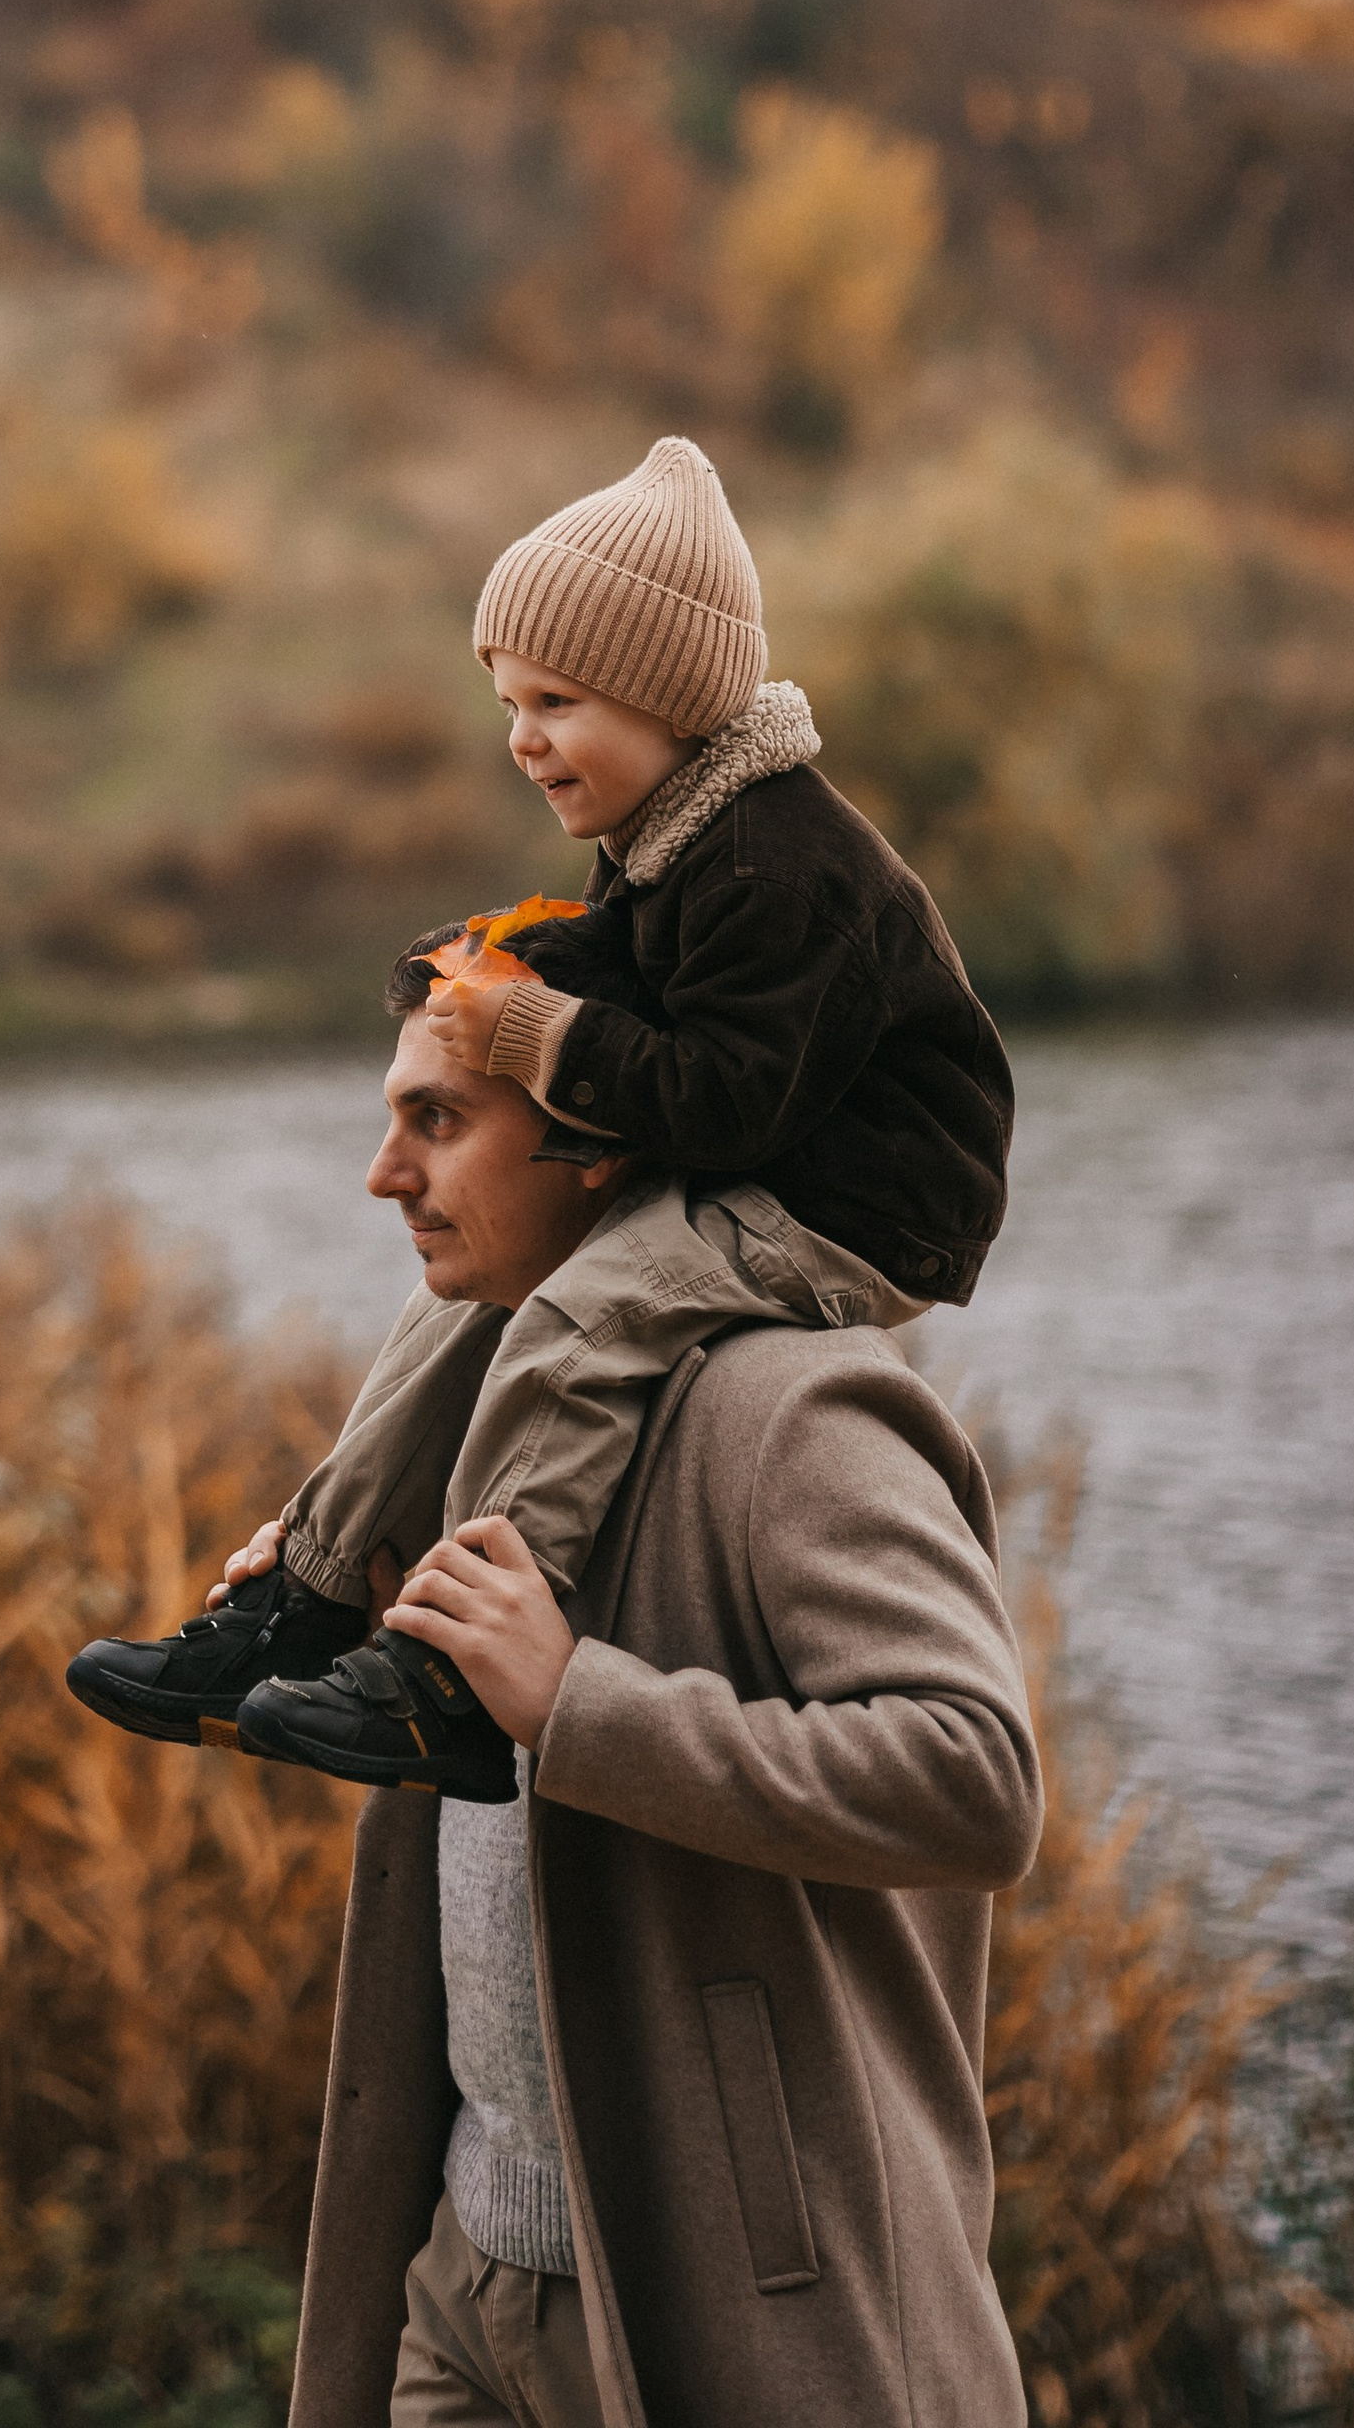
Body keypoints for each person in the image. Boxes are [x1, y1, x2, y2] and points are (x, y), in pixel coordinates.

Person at [67, 435, 1014, 1798]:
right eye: (510, 701)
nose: (522, 738)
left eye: (556, 701)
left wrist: (527, 1032)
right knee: (466, 1297)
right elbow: (617, 981)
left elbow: (722, 1102)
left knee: (588, 1312)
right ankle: (312, 1593)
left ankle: (456, 1673)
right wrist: (480, 968)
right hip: (758, 1161)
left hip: (856, 1204)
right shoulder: (666, 833)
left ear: (672, 696)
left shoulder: (780, 865)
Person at [280, 975, 1044, 2428]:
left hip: (727, 2316)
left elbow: (974, 1777)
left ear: (597, 1140)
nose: (386, 1175)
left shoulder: (794, 1408)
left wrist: (577, 1704)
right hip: (462, 2288)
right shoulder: (492, 1395)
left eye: (436, 1122)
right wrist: (346, 1632)